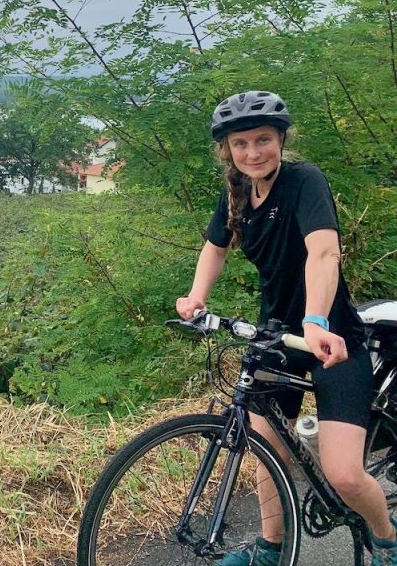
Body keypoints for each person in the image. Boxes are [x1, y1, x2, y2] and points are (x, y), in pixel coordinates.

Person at [176, 90, 397, 566]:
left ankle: (386, 540)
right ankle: (269, 549)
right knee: (265, 448)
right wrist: (197, 297)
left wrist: (316, 321)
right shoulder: (236, 191)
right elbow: (216, 247)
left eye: (263, 140)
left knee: (344, 475)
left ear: (281, 139)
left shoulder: (304, 181)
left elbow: (323, 253)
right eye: (241, 144)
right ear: (227, 150)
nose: (252, 152)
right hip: (274, 336)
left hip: (330, 338)